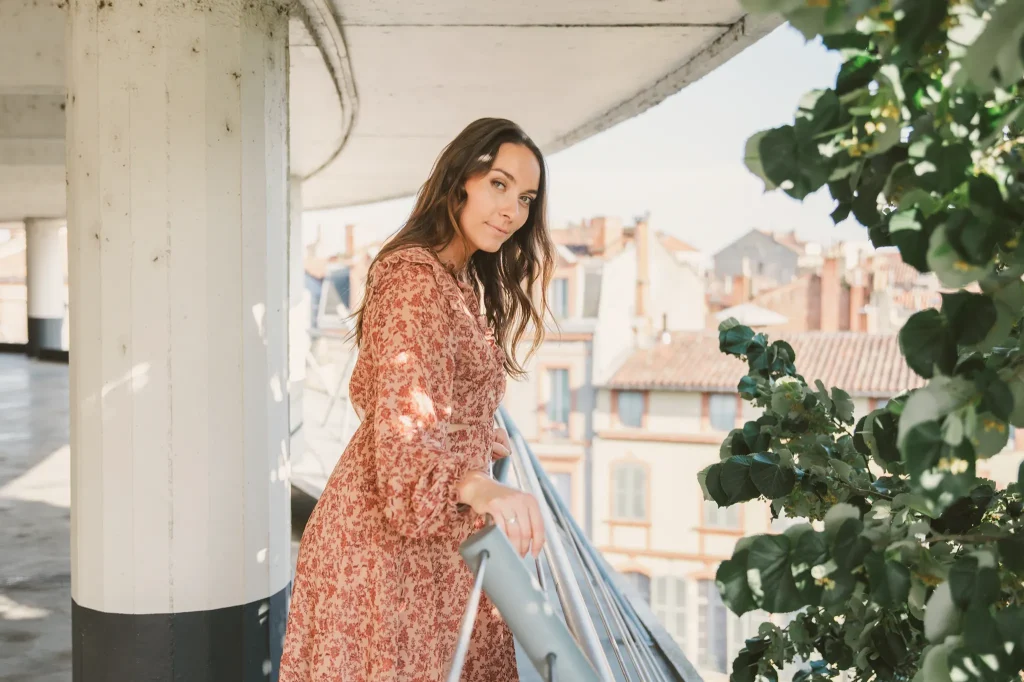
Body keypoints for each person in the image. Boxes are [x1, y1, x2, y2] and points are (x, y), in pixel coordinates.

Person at [279, 118, 557, 682]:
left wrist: (471, 431)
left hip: (423, 552)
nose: (512, 211)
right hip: (384, 559)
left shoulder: (453, 278)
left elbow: (392, 393)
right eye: (499, 185)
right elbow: (403, 449)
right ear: (460, 181)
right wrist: (482, 485)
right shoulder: (415, 281)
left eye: (526, 198)